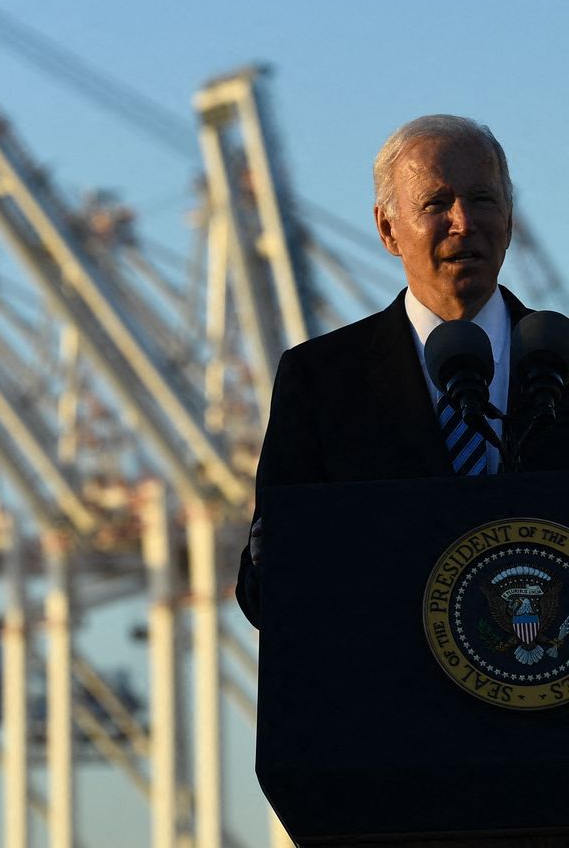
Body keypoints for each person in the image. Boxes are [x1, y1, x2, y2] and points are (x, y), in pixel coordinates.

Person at [236, 114, 560, 627]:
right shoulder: (321, 380)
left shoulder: (559, 358)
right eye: (436, 203)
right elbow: (263, 592)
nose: (464, 222)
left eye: (482, 199)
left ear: (510, 216)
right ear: (388, 229)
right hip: (388, 697)